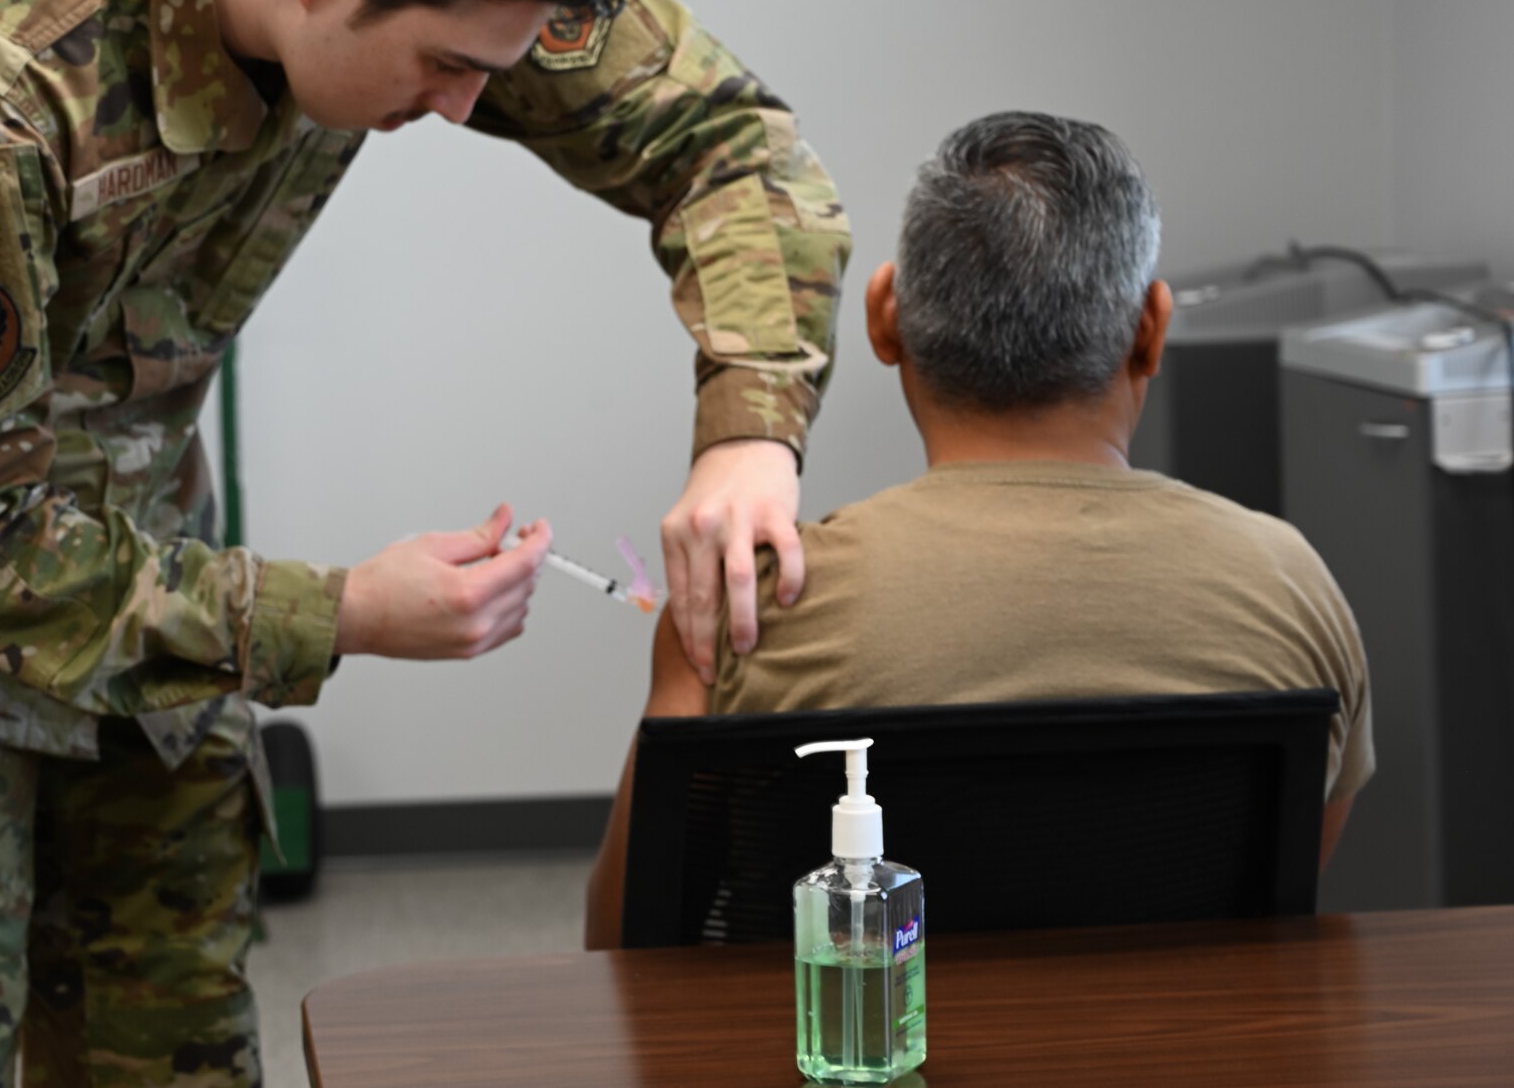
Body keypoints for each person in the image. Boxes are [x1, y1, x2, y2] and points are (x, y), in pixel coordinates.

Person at [0, 0, 850, 1083]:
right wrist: (346, 613)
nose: (465, 107)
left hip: (139, 558)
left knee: (173, 1034)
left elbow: (723, 142)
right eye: (442, 65)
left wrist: (749, 436)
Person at [584, 110, 1374, 949]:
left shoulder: (756, 602)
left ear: (885, 317)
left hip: (851, 1066)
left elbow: (631, 950)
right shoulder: (1291, 585)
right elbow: (1280, 902)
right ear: (1152, 329)